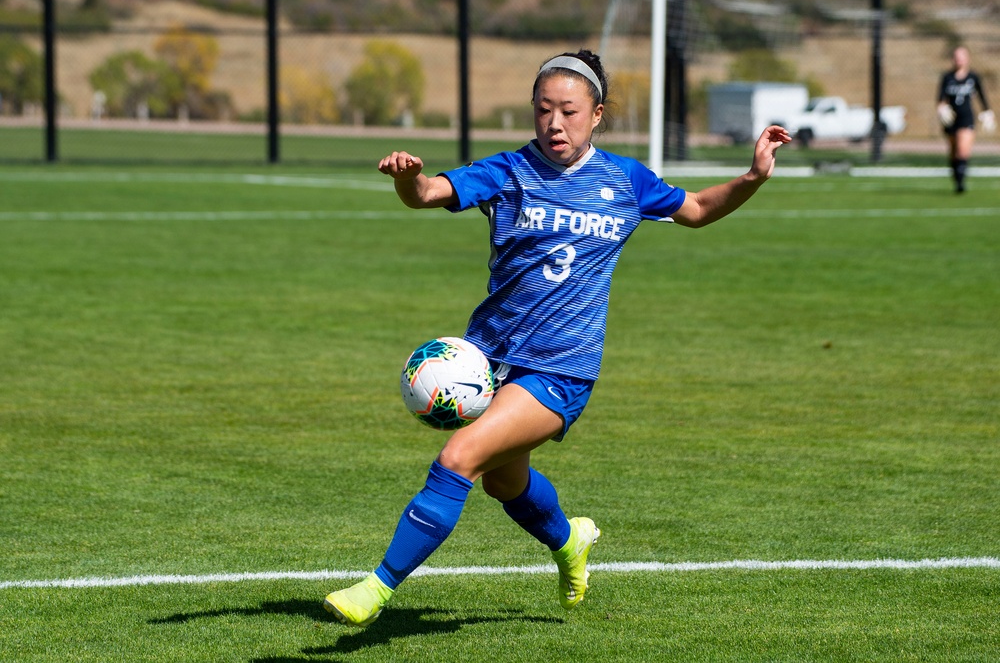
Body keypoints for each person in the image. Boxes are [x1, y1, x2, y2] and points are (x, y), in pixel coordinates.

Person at [323, 49, 791, 627]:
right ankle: (570, 541)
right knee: (504, 480)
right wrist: (408, 177)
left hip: (561, 369)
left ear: (597, 114)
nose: (554, 123)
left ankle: (376, 588)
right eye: (543, 110)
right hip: (488, 362)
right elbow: (425, 195)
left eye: (569, 110)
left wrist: (753, 176)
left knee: (459, 458)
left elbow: (694, 209)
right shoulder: (507, 171)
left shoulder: (625, 180)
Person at [937, 46, 994, 193]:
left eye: (962, 57)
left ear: (967, 59)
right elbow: (940, 98)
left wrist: (987, 112)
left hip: (966, 118)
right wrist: (942, 109)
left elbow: (982, 96)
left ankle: (960, 184)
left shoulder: (973, 77)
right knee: (954, 152)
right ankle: (957, 178)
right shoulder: (947, 77)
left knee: (963, 151)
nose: (959, 60)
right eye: (956, 57)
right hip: (951, 120)